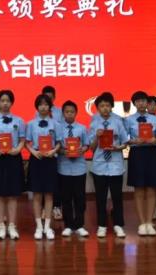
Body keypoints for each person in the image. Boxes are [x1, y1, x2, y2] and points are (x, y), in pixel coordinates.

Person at [0, 89, 25, 240]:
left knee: (13, 194)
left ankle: (12, 225)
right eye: (2, 101)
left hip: (13, 158)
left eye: (7, 101)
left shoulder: (19, 121)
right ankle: (1, 226)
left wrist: (18, 149)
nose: (5, 103)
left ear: (11, 103)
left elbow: (22, 140)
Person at [89, 92, 129, 239]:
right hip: (99, 165)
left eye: (107, 105)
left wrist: (117, 148)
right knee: (101, 197)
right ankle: (102, 225)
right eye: (102, 106)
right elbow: (91, 148)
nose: (105, 108)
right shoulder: (94, 123)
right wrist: (96, 137)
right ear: (98, 108)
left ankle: (118, 225)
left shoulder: (118, 121)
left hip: (115, 165)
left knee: (117, 197)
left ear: (111, 106)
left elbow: (125, 142)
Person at [125, 91, 156, 237]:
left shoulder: (155, 119)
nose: (141, 103)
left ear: (147, 103)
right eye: (138, 101)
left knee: (151, 188)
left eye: (143, 101)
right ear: (134, 103)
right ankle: (142, 223)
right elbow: (124, 139)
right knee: (139, 189)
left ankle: (149, 222)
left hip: (152, 154)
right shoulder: (128, 120)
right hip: (137, 154)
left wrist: (155, 140)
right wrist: (135, 141)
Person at [26, 94, 61, 240]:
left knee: (49, 194)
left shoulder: (56, 124)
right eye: (40, 104)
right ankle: (39, 227)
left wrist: (53, 151)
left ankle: (47, 226)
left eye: (46, 104)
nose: (43, 107)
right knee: (37, 195)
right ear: (37, 107)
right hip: (37, 159)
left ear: (50, 107)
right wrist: (34, 152)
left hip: (50, 160)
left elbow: (59, 143)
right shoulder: (31, 124)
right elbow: (26, 142)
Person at [56, 100, 90, 238]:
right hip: (63, 167)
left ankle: (80, 225)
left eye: (72, 112)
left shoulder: (82, 128)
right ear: (63, 113)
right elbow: (57, 146)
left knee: (80, 198)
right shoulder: (58, 128)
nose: (69, 114)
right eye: (67, 112)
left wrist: (83, 149)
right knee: (66, 198)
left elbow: (87, 144)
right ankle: (68, 225)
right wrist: (62, 151)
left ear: (76, 113)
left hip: (79, 168)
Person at [40, 85, 63, 221]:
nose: (48, 100)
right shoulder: (38, 114)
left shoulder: (60, 112)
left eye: (50, 97)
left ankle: (56, 207)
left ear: (54, 97)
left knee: (56, 180)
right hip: (43, 153)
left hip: (57, 150)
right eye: (45, 97)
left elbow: (62, 129)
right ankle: (44, 207)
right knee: (45, 180)